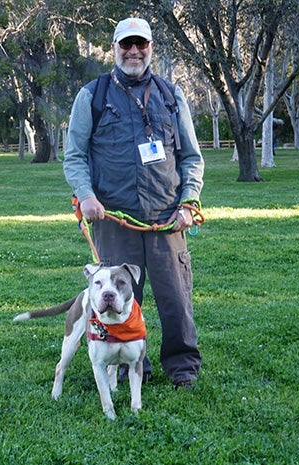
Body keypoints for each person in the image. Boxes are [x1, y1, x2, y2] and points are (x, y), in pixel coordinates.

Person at [63, 17, 204, 389]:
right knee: (117, 301)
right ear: (114, 48)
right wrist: (87, 194)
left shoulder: (172, 96)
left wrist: (188, 203)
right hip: (113, 219)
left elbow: (191, 157)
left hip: (166, 219)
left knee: (176, 301)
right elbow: (74, 155)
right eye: (126, 44)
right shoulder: (91, 96)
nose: (133, 51)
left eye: (140, 44)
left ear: (150, 48)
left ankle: (183, 368)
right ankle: (127, 364)